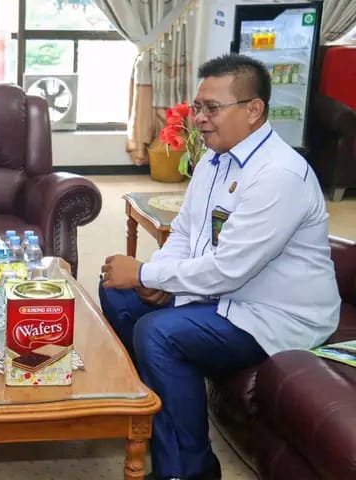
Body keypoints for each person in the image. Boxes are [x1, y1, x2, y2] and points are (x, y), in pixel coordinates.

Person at [99, 53, 340, 480]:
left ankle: (190, 471)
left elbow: (230, 269)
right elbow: (186, 232)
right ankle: (158, 424)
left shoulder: (278, 174)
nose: (199, 119)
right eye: (198, 107)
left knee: (157, 333)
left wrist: (146, 273)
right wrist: (155, 278)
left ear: (253, 110)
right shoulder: (214, 159)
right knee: (118, 294)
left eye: (212, 108)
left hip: (275, 316)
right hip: (226, 297)